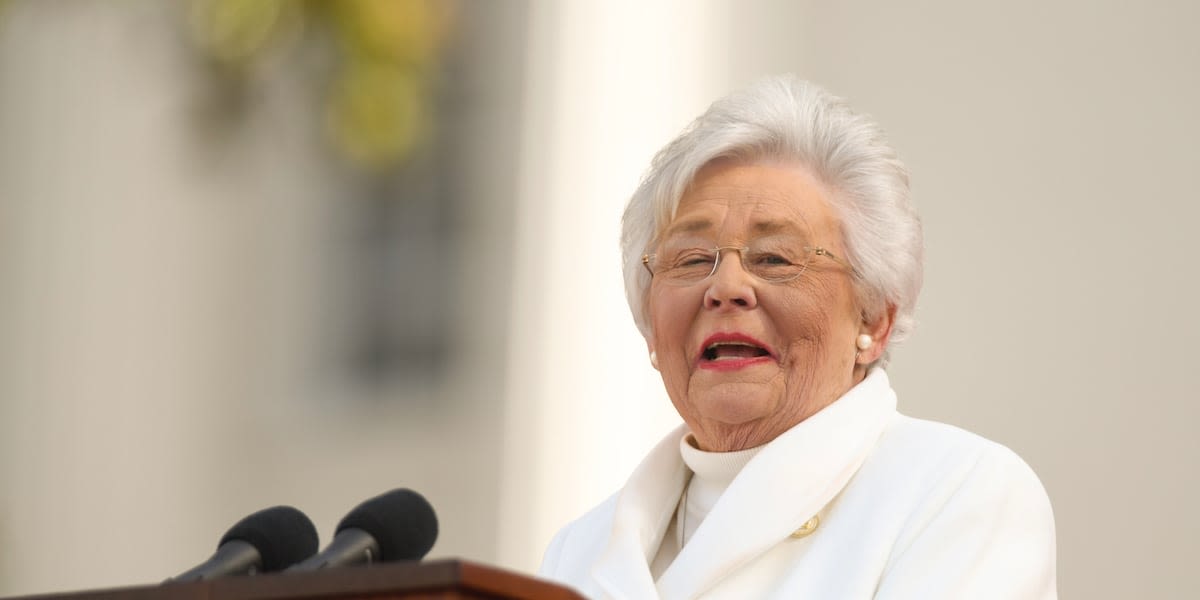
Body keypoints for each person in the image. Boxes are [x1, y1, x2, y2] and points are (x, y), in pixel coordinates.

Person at [537, 76, 1057, 599]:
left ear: (872, 321)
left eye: (775, 258)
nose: (726, 288)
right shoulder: (578, 549)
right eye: (692, 260)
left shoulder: (958, 493)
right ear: (651, 329)